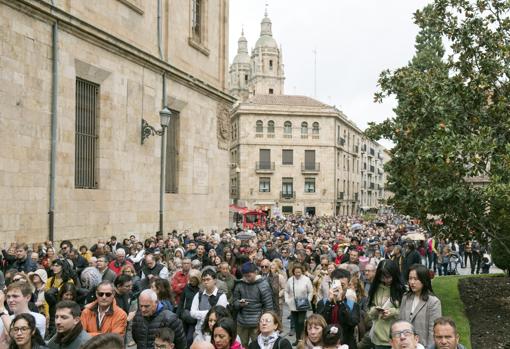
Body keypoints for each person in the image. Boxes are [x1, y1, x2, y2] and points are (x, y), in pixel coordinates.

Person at [233, 262, 273, 348]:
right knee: (241, 345)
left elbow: (268, 306)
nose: (247, 278)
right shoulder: (240, 284)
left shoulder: (263, 285)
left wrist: (266, 322)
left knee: (258, 345)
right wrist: (240, 304)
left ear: (255, 272)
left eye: (249, 275)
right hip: (242, 322)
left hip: (257, 322)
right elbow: (234, 302)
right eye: (245, 276)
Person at [399, 264, 441, 347]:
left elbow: (433, 330)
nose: (412, 282)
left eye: (416, 279)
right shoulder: (405, 297)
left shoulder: (433, 302)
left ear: (424, 280)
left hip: (423, 346)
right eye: (410, 278)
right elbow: (400, 322)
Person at [367, 259, 405, 349]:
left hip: (398, 337)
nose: (385, 280)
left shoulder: (403, 290)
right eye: (382, 277)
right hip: (378, 338)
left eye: (388, 277)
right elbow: (369, 311)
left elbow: (407, 312)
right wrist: (375, 310)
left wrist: (392, 312)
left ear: (394, 274)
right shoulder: (375, 288)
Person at [320, 268, 360, 349]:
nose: (338, 288)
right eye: (336, 284)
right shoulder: (323, 303)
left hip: (346, 343)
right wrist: (329, 302)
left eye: (342, 285)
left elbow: (352, 323)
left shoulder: (353, 305)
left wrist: (340, 302)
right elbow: (320, 323)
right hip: (327, 345)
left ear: (348, 285)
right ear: (331, 284)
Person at [190, 269, 228, 338]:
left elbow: (219, 315)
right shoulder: (199, 295)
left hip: (214, 332)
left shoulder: (221, 296)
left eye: (208, 279)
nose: (205, 282)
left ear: (215, 280)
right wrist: (209, 313)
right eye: (203, 280)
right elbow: (192, 313)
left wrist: (200, 313)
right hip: (199, 331)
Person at [284, 264, 313, 346]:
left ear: (302, 272)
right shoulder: (290, 280)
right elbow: (286, 290)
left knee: (301, 321)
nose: (298, 274)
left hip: (303, 304)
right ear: (293, 272)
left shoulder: (306, 279)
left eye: (299, 272)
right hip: (293, 304)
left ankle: (303, 338)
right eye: (296, 272)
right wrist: (287, 300)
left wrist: (308, 300)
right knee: (296, 323)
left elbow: (310, 291)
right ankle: (298, 339)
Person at [176, 269, 201, 346]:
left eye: (194, 280)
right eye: (191, 280)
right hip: (185, 315)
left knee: (189, 338)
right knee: (182, 336)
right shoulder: (187, 287)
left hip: (195, 317)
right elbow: (181, 301)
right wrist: (177, 315)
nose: (192, 281)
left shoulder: (201, 290)